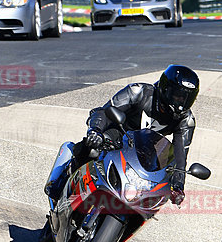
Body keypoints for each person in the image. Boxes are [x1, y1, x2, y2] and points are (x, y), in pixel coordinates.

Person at [74, 65, 199, 206]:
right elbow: (104, 111)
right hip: (117, 135)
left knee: (153, 189)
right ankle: (64, 179)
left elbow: (180, 155)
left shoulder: (186, 120)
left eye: (185, 99)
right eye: (177, 96)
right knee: (92, 150)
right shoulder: (138, 92)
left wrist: (178, 186)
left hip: (144, 149)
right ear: (165, 88)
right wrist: (95, 130)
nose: (180, 103)